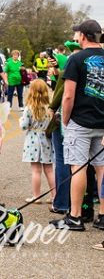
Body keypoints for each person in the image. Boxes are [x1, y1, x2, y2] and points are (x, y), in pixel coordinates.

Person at [51, 20, 104, 231]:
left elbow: (68, 95)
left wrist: (65, 119)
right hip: (103, 122)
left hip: (80, 121)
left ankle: (75, 216)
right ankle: (102, 216)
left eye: (77, 34)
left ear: (83, 35)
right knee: (101, 168)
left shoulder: (75, 59)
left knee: (78, 167)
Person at [48, 40, 82, 215]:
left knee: (63, 160)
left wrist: (54, 110)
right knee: (84, 165)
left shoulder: (74, 60)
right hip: (88, 119)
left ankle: (62, 202)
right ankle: (83, 206)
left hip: (67, 119)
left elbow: (64, 93)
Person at [20, 79, 55, 203]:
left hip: (33, 140)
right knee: (49, 169)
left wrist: (21, 120)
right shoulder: (50, 108)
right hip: (46, 139)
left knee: (36, 170)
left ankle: (37, 196)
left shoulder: (29, 108)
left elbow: (24, 126)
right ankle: (54, 196)